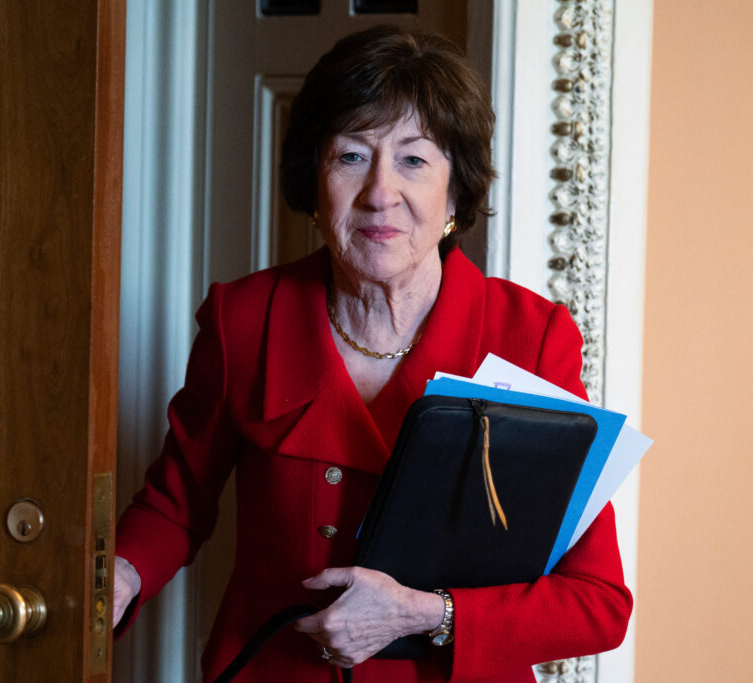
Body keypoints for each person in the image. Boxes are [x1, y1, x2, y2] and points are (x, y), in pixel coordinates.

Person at [112, 24, 632, 682]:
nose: (379, 191)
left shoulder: (530, 338)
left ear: (455, 192)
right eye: (351, 155)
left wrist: (425, 612)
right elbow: (174, 503)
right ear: (314, 181)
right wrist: (119, 576)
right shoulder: (243, 319)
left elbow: (597, 603)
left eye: (414, 159)